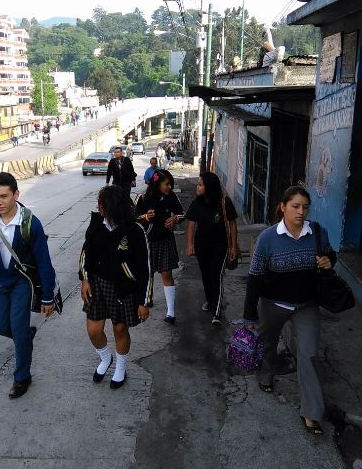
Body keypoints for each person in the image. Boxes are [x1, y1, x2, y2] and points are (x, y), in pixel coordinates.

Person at [243, 186, 336, 435]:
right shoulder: (267, 238)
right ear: (283, 207)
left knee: (309, 353)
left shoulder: (317, 233)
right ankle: (266, 375)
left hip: (306, 304)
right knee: (267, 345)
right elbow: (254, 278)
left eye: (305, 207)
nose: (301, 212)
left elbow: (330, 256)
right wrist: (250, 314)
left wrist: (328, 262)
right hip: (273, 304)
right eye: (295, 206)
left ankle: (311, 413)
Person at [0, 172, 57, 398]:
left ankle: (22, 378)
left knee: (18, 328)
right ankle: (25, 336)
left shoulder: (30, 223)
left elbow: (43, 262)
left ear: (16, 194)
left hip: (21, 282)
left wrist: (48, 295)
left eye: (4, 196)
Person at [79, 185, 151, 389]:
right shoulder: (95, 225)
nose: (99, 208)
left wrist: (144, 302)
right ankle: (105, 358)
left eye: (103, 205)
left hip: (123, 287)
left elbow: (145, 267)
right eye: (99, 205)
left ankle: (121, 367)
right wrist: (84, 278)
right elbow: (86, 253)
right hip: (98, 285)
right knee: (93, 330)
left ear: (113, 206)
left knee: (120, 329)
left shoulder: (135, 230)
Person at [186, 172, 237, 325]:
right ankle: (210, 300)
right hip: (202, 247)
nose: (198, 186)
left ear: (209, 187)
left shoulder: (224, 202)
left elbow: (232, 224)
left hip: (220, 247)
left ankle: (217, 312)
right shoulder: (197, 203)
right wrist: (190, 245)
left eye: (200, 184)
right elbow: (191, 224)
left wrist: (233, 246)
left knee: (216, 276)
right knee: (206, 276)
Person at [136, 170, 185, 324]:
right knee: (146, 274)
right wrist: (145, 217)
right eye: (166, 184)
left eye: (171, 184)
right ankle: (147, 298)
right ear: (157, 184)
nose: (169, 187)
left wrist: (175, 218)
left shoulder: (171, 197)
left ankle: (170, 312)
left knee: (166, 275)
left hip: (165, 240)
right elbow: (133, 217)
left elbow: (183, 213)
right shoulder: (143, 198)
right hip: (147, 243)